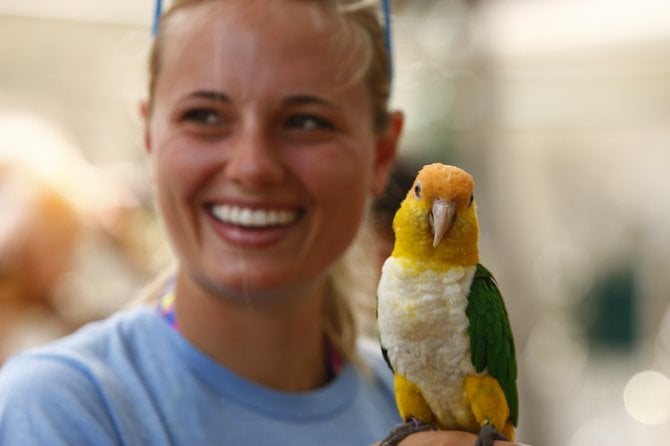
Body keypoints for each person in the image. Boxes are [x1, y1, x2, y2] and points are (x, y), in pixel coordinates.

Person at [0, 1, 519, 445]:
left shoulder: (424, 406)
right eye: (204, 116)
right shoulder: (59, 409)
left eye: (306, 121)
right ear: (150, 139)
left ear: (382, 153)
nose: (252, 166)